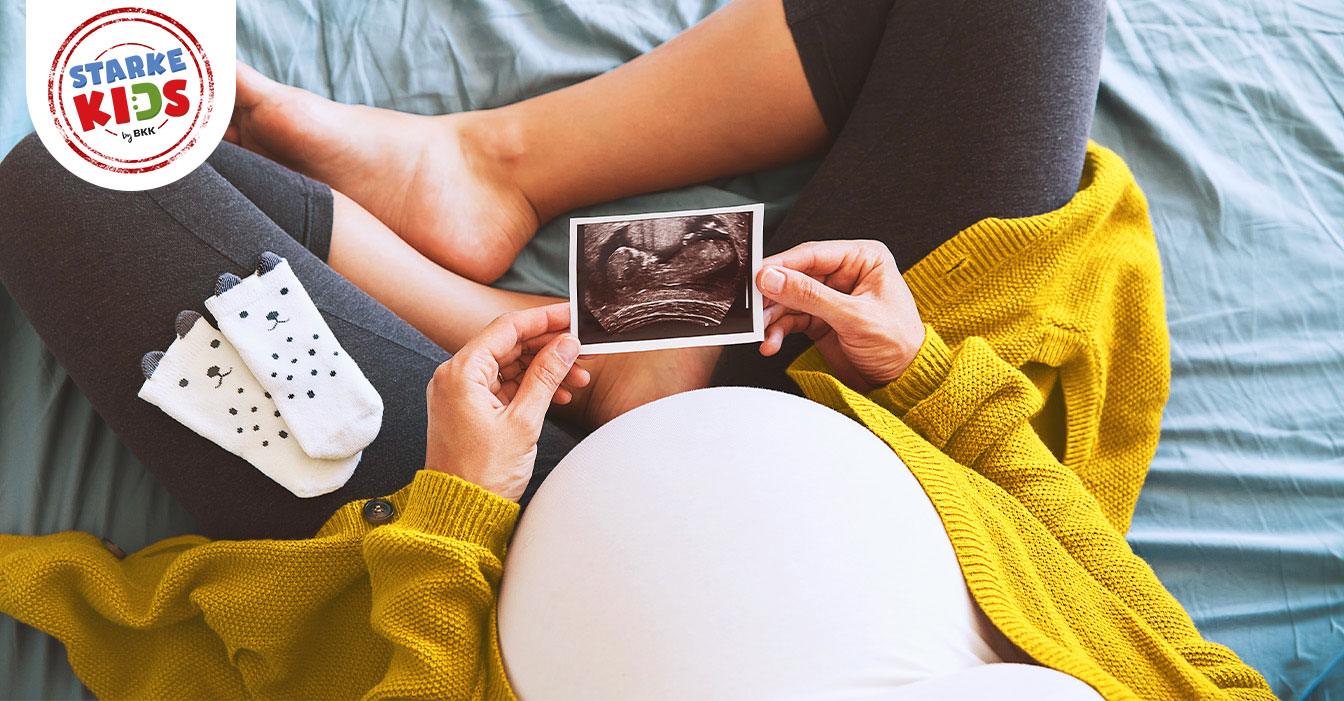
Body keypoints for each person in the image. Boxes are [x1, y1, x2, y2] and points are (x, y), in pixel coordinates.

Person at [0, 0, 1273, 697]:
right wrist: (930, 375)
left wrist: (455, 517)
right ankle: (497, 172)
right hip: (850, 414)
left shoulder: (467, 528)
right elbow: (1127, 620)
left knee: (79, 177)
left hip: (492, 541)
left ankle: (589, 367)